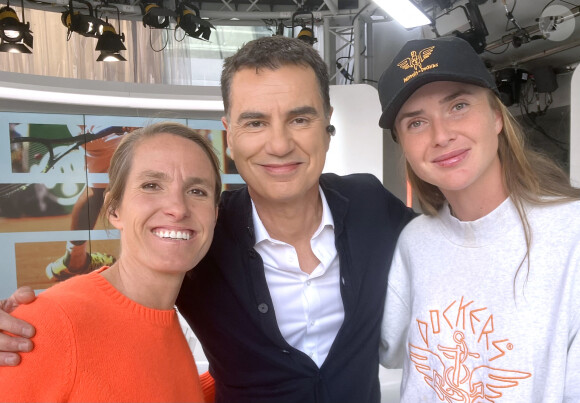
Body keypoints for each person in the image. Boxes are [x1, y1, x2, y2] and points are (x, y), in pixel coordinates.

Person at [0, 36, 416, 403]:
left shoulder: (371, 205)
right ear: (229, 134)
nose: (279, 143)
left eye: (300, 119)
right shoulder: (202, 241)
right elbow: (118, 314)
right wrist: (30, 319)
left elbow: (454, 242)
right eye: (255, 122)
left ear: (327, 123)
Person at [377, 36, 580, 402]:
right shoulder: (414, 242)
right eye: (416, 123)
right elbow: (386, 350)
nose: (441, 135)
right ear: (403, 144)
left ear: (497, 117)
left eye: (458, 106)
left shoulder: (572, 235)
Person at [0, 122, 221, 401]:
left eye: (197, 191)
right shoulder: (47, 323)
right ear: (114, 210)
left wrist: (247, 372)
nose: (177, 208)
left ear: (215, 215)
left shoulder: (166, 321)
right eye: (151, 185)